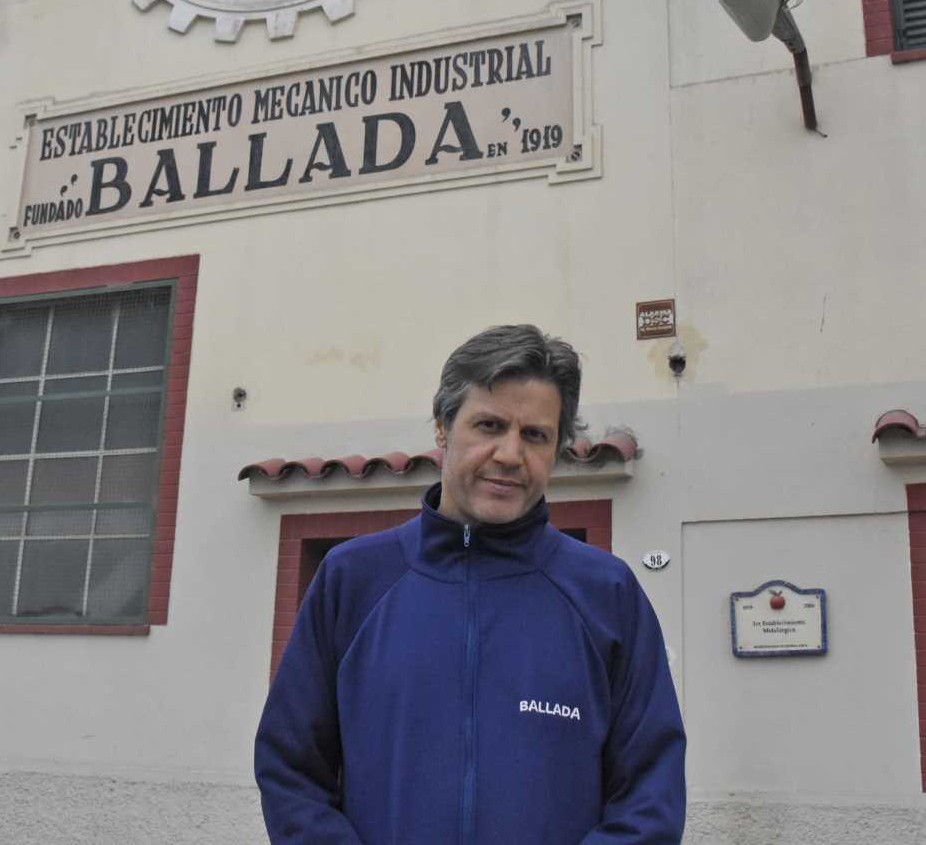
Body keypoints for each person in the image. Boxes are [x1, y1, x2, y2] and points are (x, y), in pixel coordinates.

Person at [255, 324, 686, 844]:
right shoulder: (353, 580)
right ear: (442, 427)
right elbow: (291, 770)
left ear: (557, 449)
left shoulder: (607, 594)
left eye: (535, 435)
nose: (509, 454)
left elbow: (651, 796)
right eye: (489, 425)